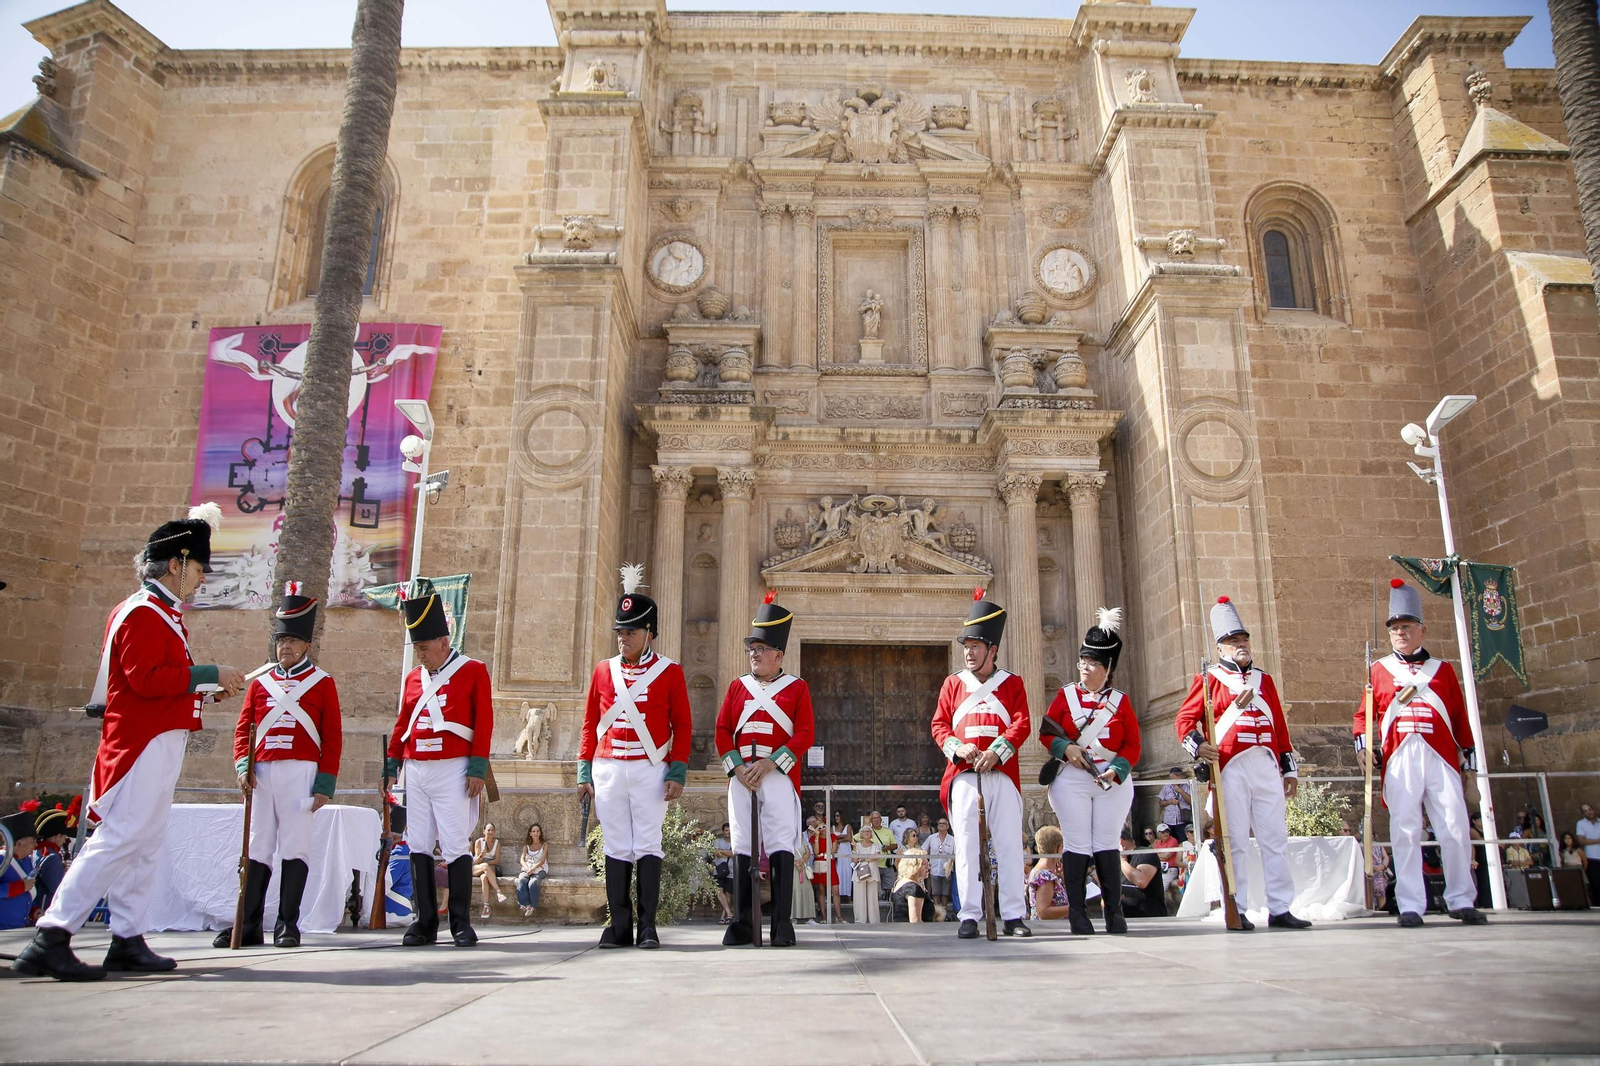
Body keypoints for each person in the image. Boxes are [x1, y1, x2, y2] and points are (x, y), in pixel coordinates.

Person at [15, 504, 245, 981]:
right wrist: (208, 672)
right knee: (120, 838)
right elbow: (144, 679)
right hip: (140, 742)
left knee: (144, 842)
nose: (202, 579)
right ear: (177, 564)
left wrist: (206, 688)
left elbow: (163, 681)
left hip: (157, 737)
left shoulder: (162, 613)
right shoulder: (142, 612)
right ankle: (52, 934)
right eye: (199, 569)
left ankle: (128, 937)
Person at [213, 580, 343, 949]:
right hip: (262, 773)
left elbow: (332, 737)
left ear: (306, 646)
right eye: (281, 640)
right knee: (257, 847)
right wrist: (243, 767)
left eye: (292, 640)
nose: (285, 646)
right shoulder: (260, 684)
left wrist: (324, 784)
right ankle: (248, 924)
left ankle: (288, 924)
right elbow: (243, 729)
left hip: (301, 772)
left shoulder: (322, 683)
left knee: (295, 848)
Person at [1353, 579, 1485, 928]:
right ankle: (1411, 904)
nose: (1400, 633)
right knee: (1405, 830)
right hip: (1400, 755)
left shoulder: (1443, 670)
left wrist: (1469, 765)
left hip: (1440, 755)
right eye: (1395, 628)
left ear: (1422, 630)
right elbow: (1364, 716)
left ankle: (1461, 899)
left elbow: (1460, 719)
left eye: (1406, 627)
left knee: (1454, 827)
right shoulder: (1378, 670)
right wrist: (1363, 748)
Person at [576, 564, 692, 949]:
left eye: (631, 632)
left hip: (649, 767)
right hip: (608, 766)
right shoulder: (602, 670)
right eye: (621, 632)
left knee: (647, 844)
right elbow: (590, 722)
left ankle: (647, 926)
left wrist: (676, 772)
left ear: (649, 634)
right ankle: (618, 926)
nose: (623, 639)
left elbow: (682, 725)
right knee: (616, 845)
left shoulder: (670, 672)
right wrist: (584, 771)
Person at [1178, 595, 1311, 931]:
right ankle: (1237, 906)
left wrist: (1289, 769)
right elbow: (1184, 721)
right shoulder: (1209, 679)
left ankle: (1280, 907)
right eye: (1232, 640)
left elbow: (1279, 726)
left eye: (1243, 639)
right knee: (1234, 841)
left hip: (1266, 764)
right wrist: (1199, 746)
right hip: (1230, 767)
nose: (1240, 645)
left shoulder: (1263, 680)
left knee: (1274, 838)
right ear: (1220, 648)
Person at [383, 580, 495, 948]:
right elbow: (403, 723)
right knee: (418, 843)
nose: (420, 655)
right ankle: (424, 921)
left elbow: (484, 722)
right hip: (416, 767)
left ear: (443, 642)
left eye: (424, 648)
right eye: (416, 648)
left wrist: (477, 768)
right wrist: (391, 765)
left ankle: (460, 922)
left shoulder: (473, 670)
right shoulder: (413, 679)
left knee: (454, 844)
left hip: (453, 767)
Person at [715, 591, 814, 948]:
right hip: (743, 777)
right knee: (742, 844)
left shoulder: (797, 688)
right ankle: (743, 923)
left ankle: (781, 925)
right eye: (752, 649)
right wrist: (737, 769)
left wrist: (772, 763)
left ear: (778, 655)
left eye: (761, 648)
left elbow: (805, 733)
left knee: (780, 845)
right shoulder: (737, 687)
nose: (754, 654)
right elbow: (722, 730)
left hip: (777, 776)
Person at [932, 589, 1032, 939]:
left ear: (993, 650)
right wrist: (960, 748)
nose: (969, 652)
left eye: (976, 646)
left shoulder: (1012, 683)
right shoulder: (953, 684)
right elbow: (939, 725)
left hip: (1001, 772)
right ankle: (970, 915)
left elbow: (1022, 722)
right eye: (967, 646)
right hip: (964, 774)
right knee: (966, 847)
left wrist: (997, 752)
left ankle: (1014, 915)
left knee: (1008, 845)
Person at [1041, 606, 1139, 936]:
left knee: (1107, 843)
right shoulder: (1065, 696)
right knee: (1077, 842)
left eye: (1093, 662)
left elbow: (1132, 744)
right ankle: (1078, 913)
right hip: (1072, 778)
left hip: (1112, 781)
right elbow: (1047, 733)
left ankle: (1114, 912)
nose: (1085, 667)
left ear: (1107, 668)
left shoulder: (1121, 702)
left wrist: (1118, 770)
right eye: (1083, 660)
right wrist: (1065, 748)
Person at [30, 798, 78, 921]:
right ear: (57, 836)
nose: (64, 840)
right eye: (64, 837)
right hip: (45, 909)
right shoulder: (52, 858)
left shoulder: (39, 851)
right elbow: (58, 889)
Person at [1, 808, 39, 929]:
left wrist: (33, 910)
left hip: (20, 926)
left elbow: (27, 891)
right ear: (18, 843)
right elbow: (23, 887)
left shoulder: (27, 861)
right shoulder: (1, 859)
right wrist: (19, 887)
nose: (36, 845)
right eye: (32, 841)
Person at [1119, 827, 1167, 918]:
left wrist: (1122, 861)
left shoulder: (1145, 853)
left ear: (1120, 841)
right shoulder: (1113, 861)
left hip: (1148, 917)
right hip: (1124, 917)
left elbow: (1141, 880)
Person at [1026, 825, 1071, 921]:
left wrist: (1063, 877)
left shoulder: (1047, 872)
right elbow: (1043, 912)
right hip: (1050, 927)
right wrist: (1074, 909)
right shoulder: (1045, 876)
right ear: (1058, 848)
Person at [384, 801, 414, 923]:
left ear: (394, 838)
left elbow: (387, 881)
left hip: (395, 908)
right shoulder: (404, 849)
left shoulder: (400, 852)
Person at [892, 829, 930, 923]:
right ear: (915, 866)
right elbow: (915, 920)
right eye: (924, 863)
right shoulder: (913, 888)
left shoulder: (902, 884)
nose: (928, 866)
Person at [808, 816, 839, 923]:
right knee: (821, 890)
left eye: (823, 826)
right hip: (820, 866)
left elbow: (833, 850)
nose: (822, 829)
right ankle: (823, 916)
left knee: (835, 890)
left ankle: (839, 916)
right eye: (819, 828)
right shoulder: (813, 838)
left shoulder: (833, 836)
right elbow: (816, 852)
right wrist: (816, 836)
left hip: (830, 865)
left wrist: (823, 854)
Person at [925, 816, 956, 921]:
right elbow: (924, 849)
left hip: (946, 870)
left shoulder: (952, 840)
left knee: (945, 893)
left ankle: (944, 913)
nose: (941, 825)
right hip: (934, 868)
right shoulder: (931, 838)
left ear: (948, 826)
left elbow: (956, 853)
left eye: (944, 824)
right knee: (935, 892)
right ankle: (936, 912)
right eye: (940, 824)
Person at [472, 824, 505, 919]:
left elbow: (496, 861)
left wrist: (486, 864)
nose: (490, 832)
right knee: (484, 866)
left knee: (484, 878)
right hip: (478, 867)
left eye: (492, 830)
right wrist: (481, 856)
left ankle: (486, 906)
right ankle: (498, 891)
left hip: (490, 867)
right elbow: (477, 861)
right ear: (484, 831)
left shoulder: (497, 843)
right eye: (488, 830)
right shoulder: (479, 842)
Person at [851, 826, 882, 923]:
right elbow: (855, 860)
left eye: (868, 831)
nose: (866, 833)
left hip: (872, 872)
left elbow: (876, 857)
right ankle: (860, 921)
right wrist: (855, 848)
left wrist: (863, 858)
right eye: (864, 831)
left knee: (873, 898)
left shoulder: (875, 845)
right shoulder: (857, 845)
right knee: (859, 897)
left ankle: (874, 921)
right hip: (859, 873)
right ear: (861, 833)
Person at [516, 825, 547, 917]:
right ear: (530, 833)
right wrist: (527, 869)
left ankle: (533, 905)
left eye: (537, 831)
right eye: (533, 831)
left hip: (540, 869)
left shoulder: (544, 845)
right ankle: (526, 905)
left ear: (540, 833)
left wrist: (533, 869)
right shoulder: (527, 846)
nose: (535, 833)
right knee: (521, 880)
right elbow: (522, 859)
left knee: (533, 883)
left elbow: (542, 860)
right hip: (527, 868)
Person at [1576, 802, 1600, 904]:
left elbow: (1586, 840)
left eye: (1589, 809)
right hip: (1591, 857)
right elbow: (1581, 840)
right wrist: (1598, 840)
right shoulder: (1581, 824)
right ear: (1583, 813)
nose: (1589, 812)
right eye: (1585, 811)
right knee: (1596, 884)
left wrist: (1590, 840)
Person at [1159, 768, 1192, 841]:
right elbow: (1160, 803)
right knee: (1169, 841)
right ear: (1170, 776)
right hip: (1169, 820)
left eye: (1179, 775)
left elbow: (1191, 801)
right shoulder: (1166, 787)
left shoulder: (1186, 786)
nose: (1177, 776)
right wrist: (1170, 802)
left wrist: (1181, 791)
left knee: (1183, 841)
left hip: (1182, 820)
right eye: (1175, 774)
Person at [711, 823, 734, 923]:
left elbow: (734, 853)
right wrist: (728, 853)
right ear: (723, 831)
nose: (728, 833)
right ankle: (729, 913)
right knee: (719, 891)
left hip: (731, 871)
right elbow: (715, 853)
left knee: (728, 894)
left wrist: (722, 852)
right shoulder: (717, 841)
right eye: (726, 830)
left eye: (730, 831)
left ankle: (724, 916)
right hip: (719, 871)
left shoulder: (734, 843)